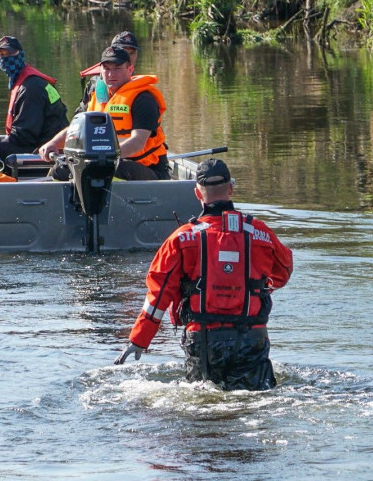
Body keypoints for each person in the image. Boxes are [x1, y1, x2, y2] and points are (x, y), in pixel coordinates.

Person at [113, 159, 293, 391]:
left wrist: (139, 339)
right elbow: (283, 272)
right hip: (251, 339)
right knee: (253, 404)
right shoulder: (261, 233)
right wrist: (255, 287)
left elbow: (158, 295)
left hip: (204, 341)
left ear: (198, 194)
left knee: (204, 404)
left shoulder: (181, 239)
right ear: (231, 189)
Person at [38, 45, 170, 180]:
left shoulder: (144, 99)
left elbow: (138, 142)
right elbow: (75, 130)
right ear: (100, 71)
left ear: (130, 70)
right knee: (60, 170)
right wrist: (53, 143)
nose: (111, 74)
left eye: (117, 68)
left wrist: (106, 156)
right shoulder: (96, 96)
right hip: (103, 162)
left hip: (147, 168)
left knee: (105, 171)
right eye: (106, 68)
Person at [0, 35, 69, 160]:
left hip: (46, 151)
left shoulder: (31, 88)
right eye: (1, 55)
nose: (5, 58)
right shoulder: (27, 82)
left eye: (10, 54)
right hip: (36, 142)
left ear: (20, 54)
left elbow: (24, 137)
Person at [75, 30, 141, 116]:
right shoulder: (95, 85)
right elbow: (80, 115)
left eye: (132, 53)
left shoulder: (141, 90)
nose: (128, 57)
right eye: (123, 52)